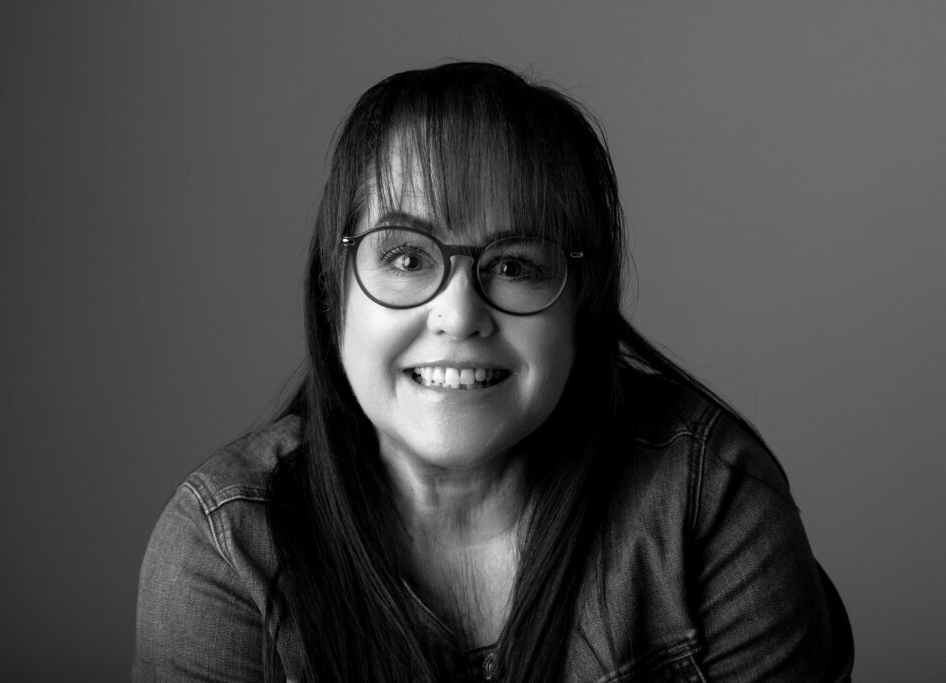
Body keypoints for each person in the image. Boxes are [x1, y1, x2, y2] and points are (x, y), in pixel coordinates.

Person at [133, 62, 853, 682]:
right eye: (407, 257)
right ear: (335, 290)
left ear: (582, 308)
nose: (459, 314)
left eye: (513, 265)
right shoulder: (225, 550)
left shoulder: (708, 503)